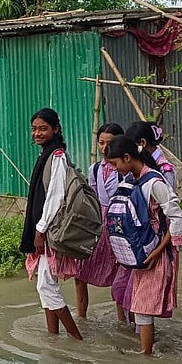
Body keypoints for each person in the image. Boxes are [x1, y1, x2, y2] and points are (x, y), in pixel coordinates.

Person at [104, 135, 182, 354]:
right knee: (140, 303)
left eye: (115, 164)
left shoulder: (154, 182)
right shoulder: (132, 180)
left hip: (157, 252)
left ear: (127, 157)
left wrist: (158, 252)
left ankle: (146, 355)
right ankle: (146, 351)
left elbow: (177, 218)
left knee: (143, 305)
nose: (114, 169)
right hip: (141, 251)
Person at [19, 108, 83, 339]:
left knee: (46, 285)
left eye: (43, 128)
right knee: (45, 284)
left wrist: (40, 229)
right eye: (34, 129)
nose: (37, 133)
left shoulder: (56, 156)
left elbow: (55, 196)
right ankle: (53, 337)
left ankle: (76, 339)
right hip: (44, 228)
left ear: (55, 129)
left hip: (49, 229)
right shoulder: (46, 154)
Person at [73, 123, 131, 326]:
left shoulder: (126, 170)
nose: (105, 147)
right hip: (98, 225)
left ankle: (124, 321)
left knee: (121, 276)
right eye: (101, 142)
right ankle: (82, 319)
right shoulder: (95, 169)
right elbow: (93, 199)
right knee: (80, 272)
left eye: (110, 142)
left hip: (120, 227)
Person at [124, 120, 177, 191]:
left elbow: (168, 198)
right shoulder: (140, 164)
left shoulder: (165, 170)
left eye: (132, 147)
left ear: (142, 143)